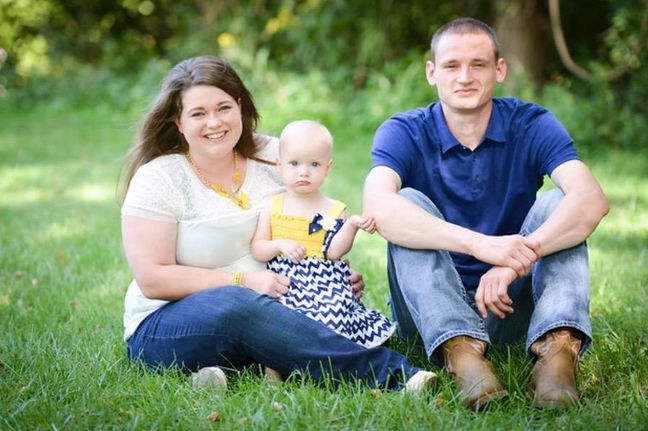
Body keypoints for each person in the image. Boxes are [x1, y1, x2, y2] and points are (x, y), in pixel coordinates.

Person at [119, 55, 435, 393]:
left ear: (240, 107)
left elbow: (309, 218)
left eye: (224, 108)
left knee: (274, 316)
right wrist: (243, 281)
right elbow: (154, 279)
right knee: (239, 305)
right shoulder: (160, 178)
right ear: (178, 122)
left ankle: (225, 370)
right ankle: (392, 374)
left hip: (271, 303)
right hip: (166, 324)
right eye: (198, 114)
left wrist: (331, 267)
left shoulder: (274, 156)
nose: (214, 123)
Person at [363, 17, 609, 410]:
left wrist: (513, 262)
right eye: (451, 66)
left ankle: (558, 353)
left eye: (478, 64)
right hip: (428, 309)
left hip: (508, 304)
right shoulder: (404, 130)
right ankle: (460, 354)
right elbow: (377, 206)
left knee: (558, 203)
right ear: (432, 72)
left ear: (499, 69)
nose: (465, 77)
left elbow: (591, 200)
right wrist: (480, 246)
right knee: (405, 201)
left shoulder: (531, 123)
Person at [251, 120, 397, 356]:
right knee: (277, 316)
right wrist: (278, 244)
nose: (304, 172)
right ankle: (274, 364)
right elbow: (258, 248)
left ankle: (335, 352)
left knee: (335, 309)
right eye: (294, 163)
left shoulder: (334, 209)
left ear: (327, 168)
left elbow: (334, 252)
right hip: (285, 282)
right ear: (279, 165)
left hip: (323, 283)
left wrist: (351, 225)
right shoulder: (273, 205)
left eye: (314, 164)